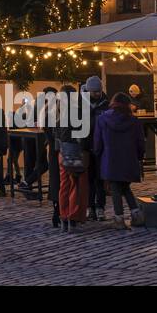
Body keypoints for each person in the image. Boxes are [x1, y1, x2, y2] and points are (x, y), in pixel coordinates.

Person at [93, 92, 146, 229]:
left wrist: (97, 154)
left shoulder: (102, 119)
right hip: (129, 159)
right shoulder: (134, 122)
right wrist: (139, 156)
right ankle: (136, 215)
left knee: (116, 188)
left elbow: (98, 141)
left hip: (110, 159)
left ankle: (119, 218)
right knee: (124, 186)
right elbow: (140, 142)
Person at [54, 85, 89, 232]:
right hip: (75, 150)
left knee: (64, 185)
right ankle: (72, 218)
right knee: (76, 185)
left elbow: (54, 133)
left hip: (61, 152)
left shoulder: (57, 112)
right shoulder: (78, 112)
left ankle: (63, 217)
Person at [81, 76, 108, 219]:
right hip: (86, 145)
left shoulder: (106, 102)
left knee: (100, 178)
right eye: (94, 92)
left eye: (99, 91)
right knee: (89, 179)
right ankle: (90, 206)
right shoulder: (81, 103)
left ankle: (100, 207)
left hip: (101, 146)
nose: (97, 94)